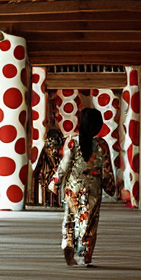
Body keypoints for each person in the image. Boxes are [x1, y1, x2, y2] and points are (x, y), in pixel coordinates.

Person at [49, 108, 115, 267]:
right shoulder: (101, 144)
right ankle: (86, 252)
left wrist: (55, 182)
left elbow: (64, 166)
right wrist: (110, 186)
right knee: (90, 220)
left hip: (73, 187)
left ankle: (68, 245)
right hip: (93, 188)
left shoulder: (73, 142)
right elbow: (106, 170)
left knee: (71, 217)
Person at [35, 128, 64, 207]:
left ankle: (47, 201)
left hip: (47, 169)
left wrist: (37, 171)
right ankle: (56, 202)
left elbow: (41, 160)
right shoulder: (58, 135)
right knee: (55, 182)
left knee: (47, 181)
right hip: (54, 167)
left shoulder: (46, 148)